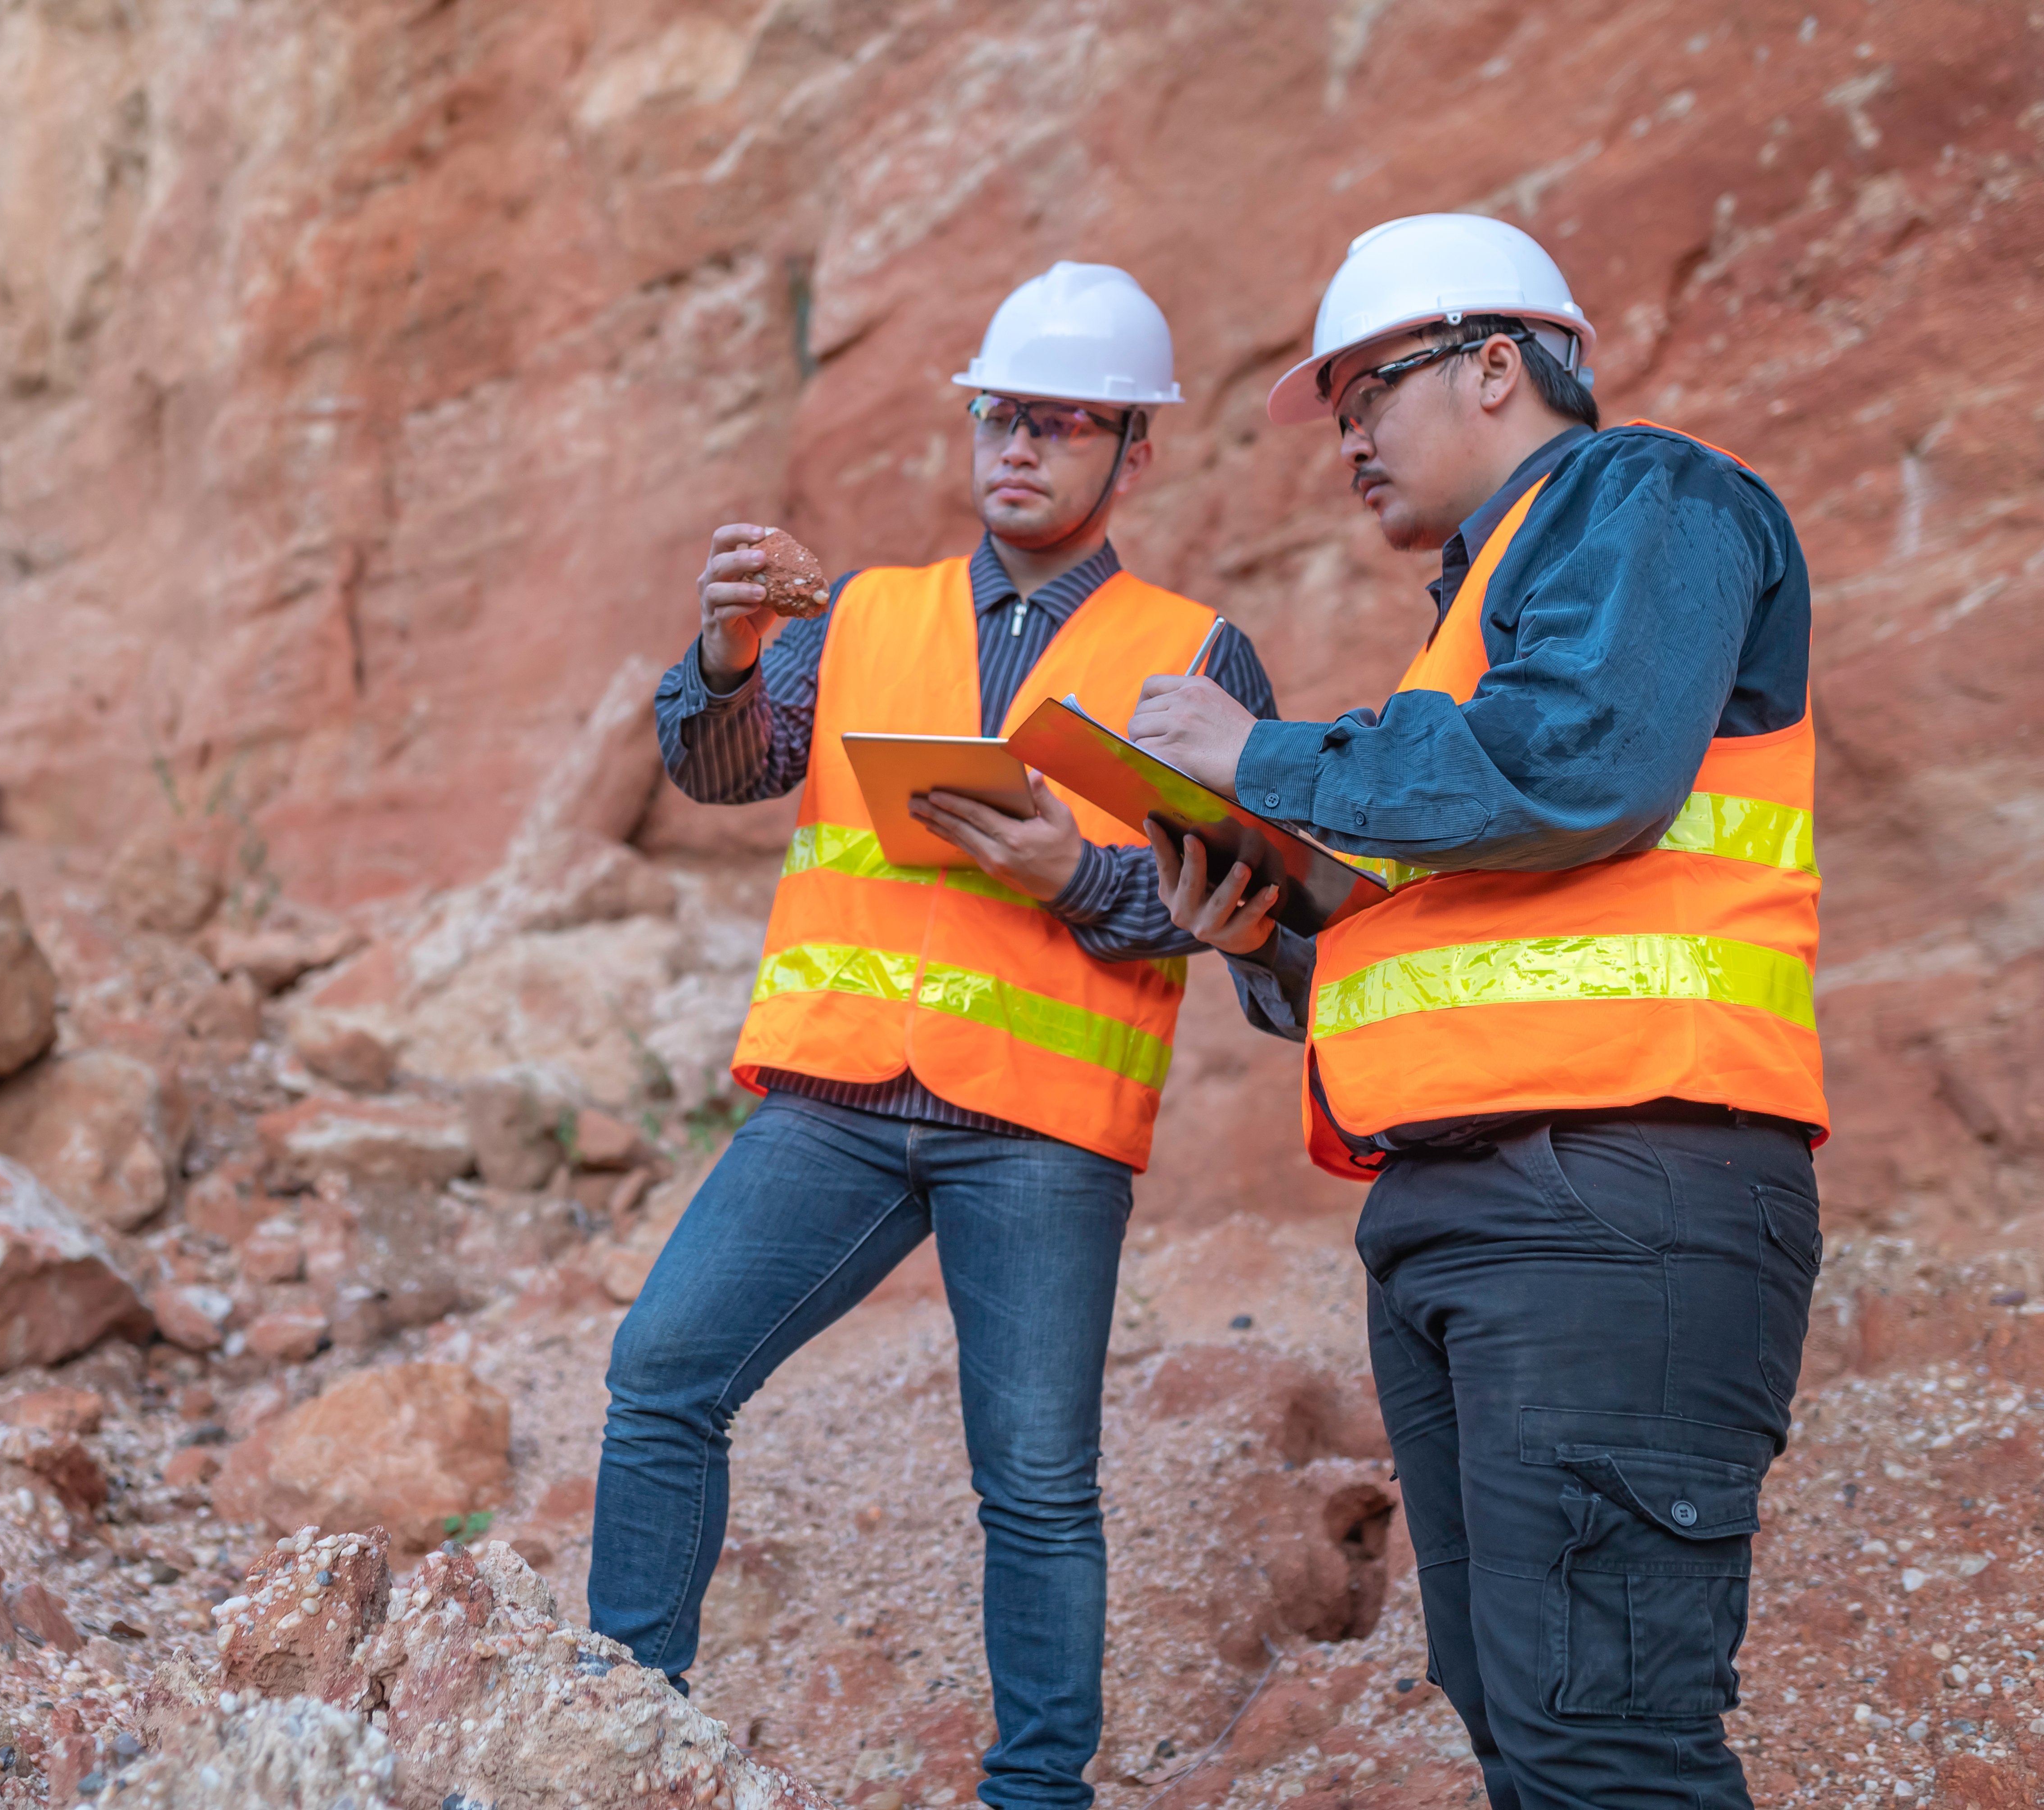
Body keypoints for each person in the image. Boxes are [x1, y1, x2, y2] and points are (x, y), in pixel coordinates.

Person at [1128, 213, 1825, 1809]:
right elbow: (1467, 934)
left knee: (1604, 1739)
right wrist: (1270, 925)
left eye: (1371, 388)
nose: (1349, 435)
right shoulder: (1477, 618)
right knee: (1522, 1720)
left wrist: (1264, 758)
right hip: (1483, 1206)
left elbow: (1579, 765)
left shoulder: (1645, 496)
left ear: (1500, 365)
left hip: (1621, 1189)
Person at [589, 262, 1277, 1810]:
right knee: (662, 1373)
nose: (1017, 447)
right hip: (837, 1095)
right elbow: (725, 767)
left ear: (1133, 451)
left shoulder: (1195, 656)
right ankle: (620, 1734)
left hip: (1038, 1127)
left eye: (1058, 423)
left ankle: (1037, 1794)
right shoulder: (870, 616)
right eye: (997, 415)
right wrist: (720, 657)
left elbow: (1244, 895)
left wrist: (1082, 875)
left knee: (1035, 1488)